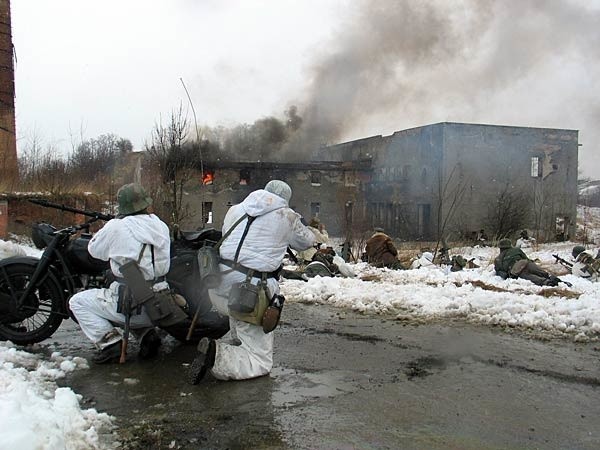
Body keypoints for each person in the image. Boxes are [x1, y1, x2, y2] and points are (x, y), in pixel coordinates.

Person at [189, 180, 315, 383]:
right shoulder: (287, 215)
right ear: (285, 200)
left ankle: (235, 343)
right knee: (260, 361)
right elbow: (306, 241)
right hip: (249, 294)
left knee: (239, 324)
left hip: (218, 287)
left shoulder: (236, 210)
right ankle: (217, 356)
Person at [69, 183, 171, 364]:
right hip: (161, 304)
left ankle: (110, 344)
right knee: (123, 288)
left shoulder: (117, 226)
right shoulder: (160, 225)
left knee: (77, 302)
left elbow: (94, 251)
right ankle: (147, 335)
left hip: (132, 305)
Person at [494, 239, 560, 287]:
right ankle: (549, 277)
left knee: (530, 277)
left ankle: (546, 282)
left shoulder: (497, 259)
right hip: (526, 263)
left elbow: (499, 272)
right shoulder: (516, 250)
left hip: (516, 270)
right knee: (540, 272)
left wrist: (508, 276)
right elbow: (526, 258)